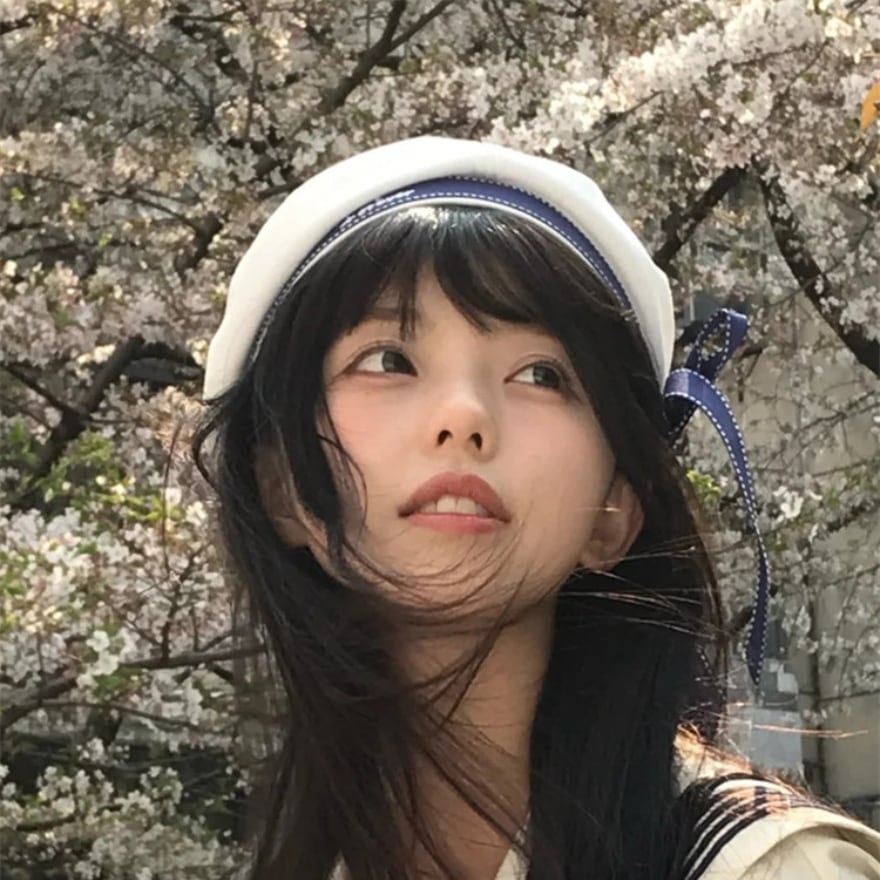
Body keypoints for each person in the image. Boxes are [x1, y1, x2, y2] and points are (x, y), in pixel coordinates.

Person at [194, 138, 880, 880]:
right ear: (280, 489)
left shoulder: (766, 866)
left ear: (613, 511)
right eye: (388, 360)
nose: (464, 415)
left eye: (541, 374)